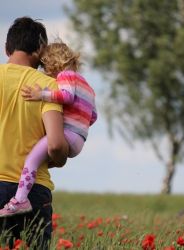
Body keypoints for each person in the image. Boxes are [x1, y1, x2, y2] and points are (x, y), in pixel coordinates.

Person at [0, 41, 97, 217]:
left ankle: (20, 200)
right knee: (42, 158)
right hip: (79, 139)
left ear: (52, 63)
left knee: (31, 160)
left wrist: (41, 95)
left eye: (45, 67)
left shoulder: (65, 76)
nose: (44, 72)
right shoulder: (87, 86)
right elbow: (93, 116)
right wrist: (79, 126)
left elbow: (66, 97)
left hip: (67, 135)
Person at [0, 17, 69, 249]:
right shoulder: (48, 86)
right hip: (33, 193)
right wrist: (58, 161)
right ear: (41, 50)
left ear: (7, 48)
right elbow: (57, 145)